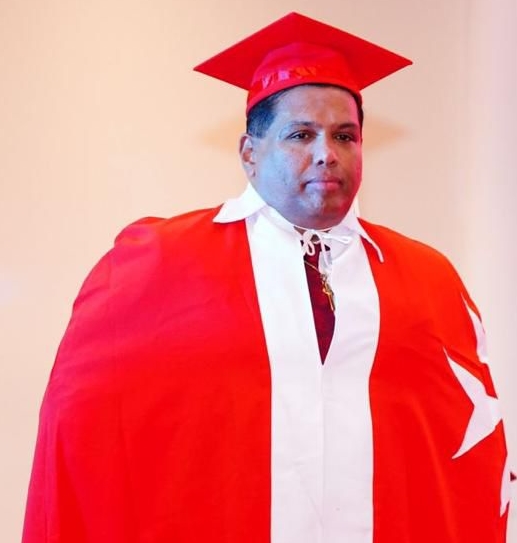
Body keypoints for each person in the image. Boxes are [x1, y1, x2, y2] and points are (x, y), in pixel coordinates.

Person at [23, 12, 510, 543]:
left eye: (345, 136)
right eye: (301, 134)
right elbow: (82, 436)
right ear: (249, 154)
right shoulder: (153, 266)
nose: (327, 153)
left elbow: (467, 452)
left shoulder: (428, 280)